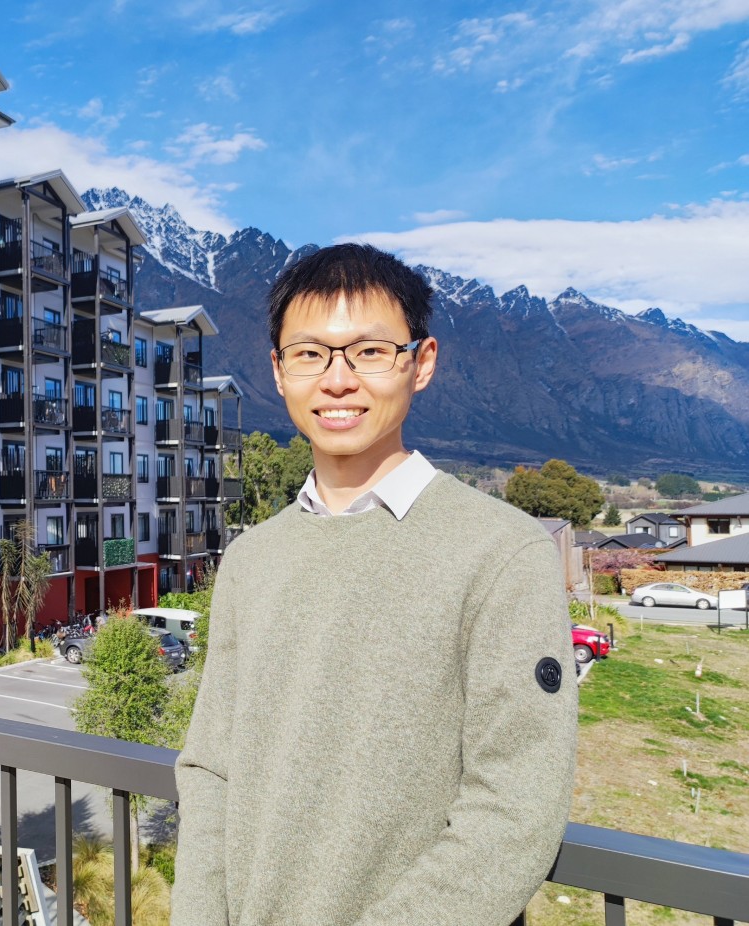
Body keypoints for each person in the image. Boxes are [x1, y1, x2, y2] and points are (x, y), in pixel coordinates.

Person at [171, 244, 578, 926]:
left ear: (420, 363)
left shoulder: (502, 552)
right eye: (309, 353)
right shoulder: (253, 559)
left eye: (368, 352)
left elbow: (514, 806)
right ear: (277, 371)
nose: (337, 380)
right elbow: (212, 768)